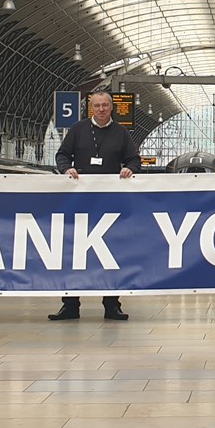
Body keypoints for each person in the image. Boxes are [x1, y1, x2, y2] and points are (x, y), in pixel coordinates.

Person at [48, 91, 139, 321]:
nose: (100, 109)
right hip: (79, 203)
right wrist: (66, 169)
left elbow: (134, 159)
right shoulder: (78, 130)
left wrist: (130, 169)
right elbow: (62, 155)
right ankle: (70, 305)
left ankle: (112, 305)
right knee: (73, 253)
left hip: (110, 204)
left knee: (110, 254)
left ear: (111, 108)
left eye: (105, 105)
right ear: (91, 108)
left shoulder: (121, 132)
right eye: (96, 105)